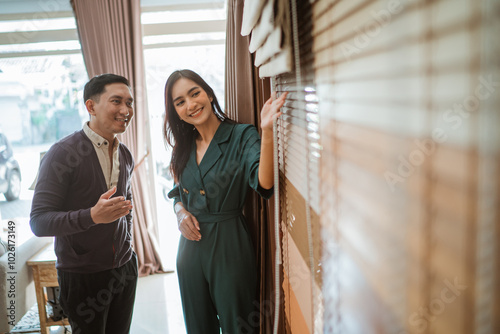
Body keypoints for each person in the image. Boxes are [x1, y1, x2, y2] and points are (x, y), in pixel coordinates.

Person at [164, 69, 287, 333]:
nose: (191, 104)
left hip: (229, 243)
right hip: (189, 250)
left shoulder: (242, 135)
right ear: (176, 111)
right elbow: (176, 192)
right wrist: (179, 213)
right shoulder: (183, 147)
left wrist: (267, 132)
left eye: (194, 93)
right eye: (180, 102)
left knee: (237, 325)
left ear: (208, 93)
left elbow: (264, 182)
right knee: (198, 327)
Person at [30, 74, 138, 334]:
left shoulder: (124, 153)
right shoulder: (63, 153)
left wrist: (128, 248)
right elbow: (39, 221)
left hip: (124, 269)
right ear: (91, 106)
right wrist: (91, 216)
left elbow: (127, 206)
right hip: (82, 275)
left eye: (129, 102)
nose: (126, 110)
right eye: (116, 101)